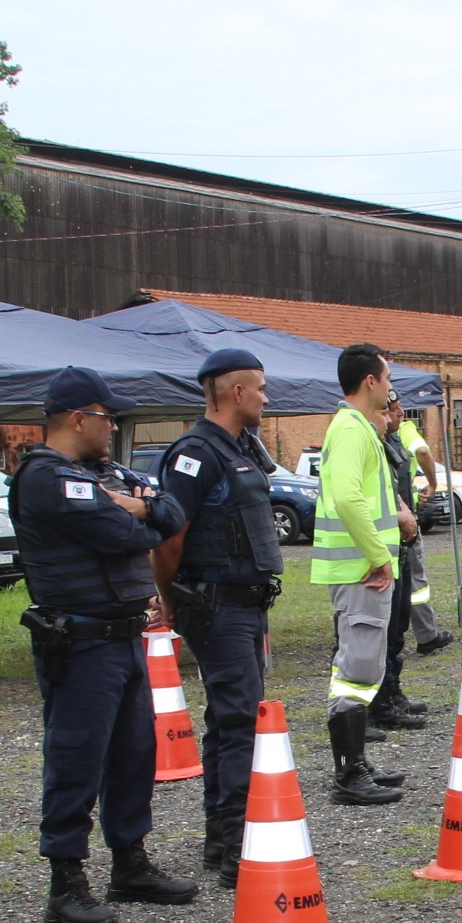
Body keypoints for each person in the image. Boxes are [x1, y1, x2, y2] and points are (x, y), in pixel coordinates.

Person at [12, 367, 196, 923]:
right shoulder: (46, 477)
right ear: (76, 419)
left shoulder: (102, 473)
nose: (112, 426)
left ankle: (130, 863)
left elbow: (172, 511)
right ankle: (65, 881)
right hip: (81, 639)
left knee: (134, 754)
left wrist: (137, 506)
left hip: (124, 636)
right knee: (77, 758)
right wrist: (137, 513)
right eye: (105, 417)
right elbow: (125, 535)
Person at [153, 347, 284, 888]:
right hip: (217, 604)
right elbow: (168, 535)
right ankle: (236, 848)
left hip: (244, 601)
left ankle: (219, 839)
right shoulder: (195, 453)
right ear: (235, 392)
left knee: (228, 720)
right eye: (259, 388)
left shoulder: (239, 448)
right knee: (238, 723)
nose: (265, 398)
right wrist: (169, 596)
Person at [313, 344, 409, 806]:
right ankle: (349, 772)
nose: (391, 386)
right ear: (369, 380)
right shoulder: (351, 429)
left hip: (357, 567)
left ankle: (356, 763)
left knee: (359, 665)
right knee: (357, 667)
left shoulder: (354, 428)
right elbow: (349, 499)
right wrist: (379, 555)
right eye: (387, 377)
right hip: (361, 569)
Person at [369, 393, 431, 735]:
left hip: (400, 544)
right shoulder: (369, 442)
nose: (399, 413)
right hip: (383, 546)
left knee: (398, 627)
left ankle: (392, 692)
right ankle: (378, 703)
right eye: (391, 408)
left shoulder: (392, 442)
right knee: (382, 631)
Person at [394, 410, 453, 653]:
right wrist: (433, 483)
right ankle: (426, 635)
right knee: (415, 581)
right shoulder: (405, 428)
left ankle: (398, 635)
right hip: (402, 524)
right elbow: (423, 452)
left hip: (394, 516)